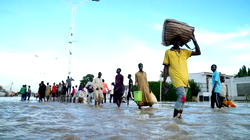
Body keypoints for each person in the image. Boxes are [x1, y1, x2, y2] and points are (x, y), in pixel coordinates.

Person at [163, 34, 201, 119]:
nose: (177, 42)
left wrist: (194, 41)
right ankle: (174, 117)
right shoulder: (168, 52)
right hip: (176, 78)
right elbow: (166, 67)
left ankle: (179, 117)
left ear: (180, 43)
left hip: (185, 79)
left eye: (178, 41)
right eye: (175, 40)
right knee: (181, 96)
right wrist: (164, 81)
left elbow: (198, 52)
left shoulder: (185, 51)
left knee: (184, 99)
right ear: (172, 42)